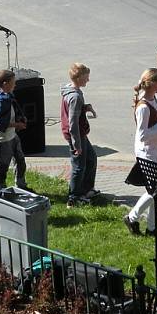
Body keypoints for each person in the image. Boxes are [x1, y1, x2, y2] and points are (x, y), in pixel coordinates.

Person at [124, 68, 157, 235]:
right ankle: (132, 217)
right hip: (148, 153)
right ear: (153, 83)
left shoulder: (153, 99)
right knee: (154, 190)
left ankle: (152, 227)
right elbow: (142, 135)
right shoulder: (143, 107)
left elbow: (153, 127)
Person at [61, 63, 98, 207]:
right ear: (78, 77)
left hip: (79, 134)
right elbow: (73, 123)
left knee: (91, 158)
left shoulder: (71, 91)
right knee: (78, 166)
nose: (88, 80)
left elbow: (75, 112)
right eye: (86, 77)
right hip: (76, 135)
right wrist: (77, 145)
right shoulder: (75, 97)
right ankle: (74, 197)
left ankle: (86, 189)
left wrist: (85, 108)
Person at [0, 69, 31, 193]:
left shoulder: (8, 95)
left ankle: (21, 186)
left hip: (12, 136)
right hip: (1, 140)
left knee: (20, 161)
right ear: (5, 83)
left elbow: (11, 112)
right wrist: (16, 124)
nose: (15, 84)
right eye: (13, 82)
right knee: (1, 170)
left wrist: (20, 118)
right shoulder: (0, 101)